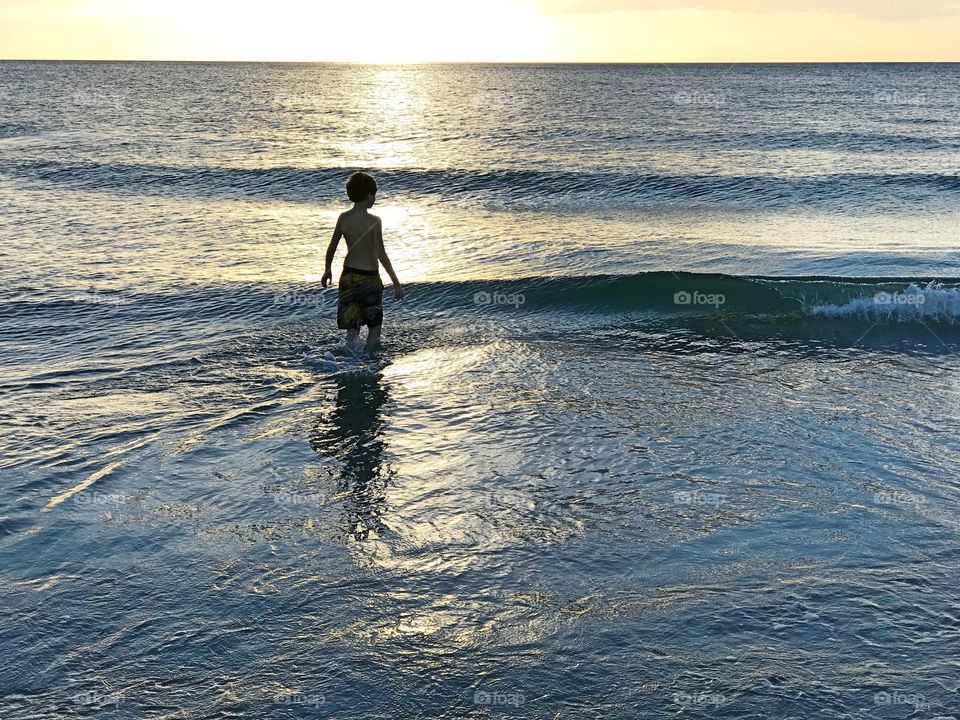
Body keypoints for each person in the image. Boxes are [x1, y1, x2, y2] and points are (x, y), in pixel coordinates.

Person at [321, 172, 404, 351]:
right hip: (369, 279)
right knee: (374, 329)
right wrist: (396, 282)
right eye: (374, 194)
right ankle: (371, 367)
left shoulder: (343, 218)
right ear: (368, 195)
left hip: (348, 276)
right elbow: (381, 254)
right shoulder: (374, 221)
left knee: (353, 327)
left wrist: (327, 270)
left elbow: (332, 247)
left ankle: (348, 361)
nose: (374, 198)